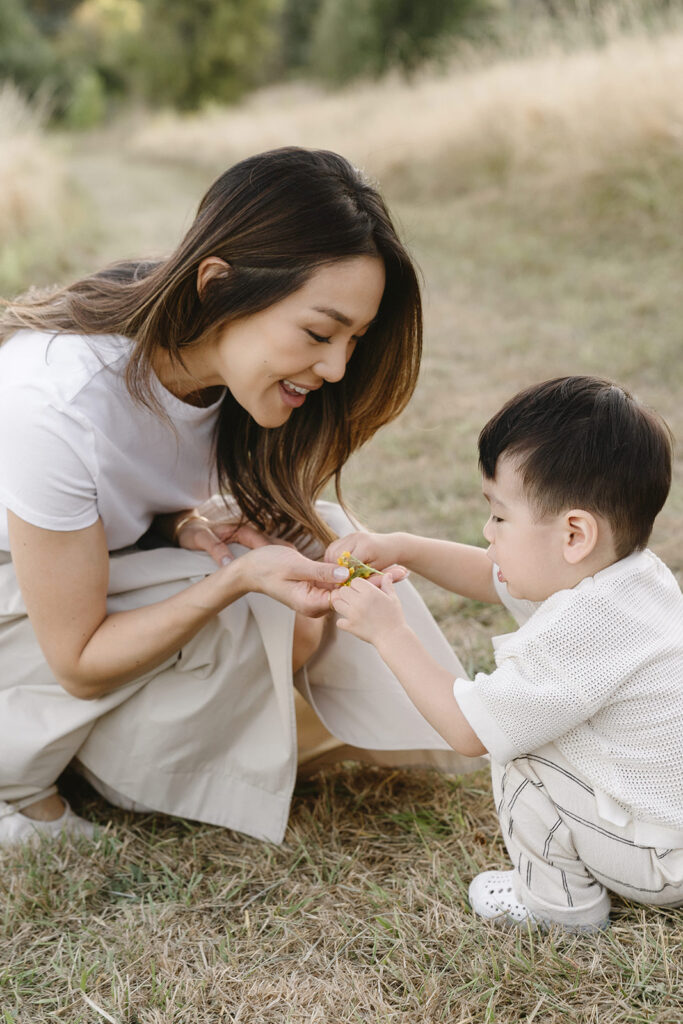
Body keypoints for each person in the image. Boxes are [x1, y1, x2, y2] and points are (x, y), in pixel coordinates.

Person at [0, 146, 485, 847]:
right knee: (242, 584)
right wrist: (230, 580)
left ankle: (441, 718)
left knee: (316, 530)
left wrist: (181, 525)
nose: (336, 367)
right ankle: (20, 772)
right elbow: (77, 661)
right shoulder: (54, 402)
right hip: (24, 608)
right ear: (217, 286)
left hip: (68, 574)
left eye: (354, 339)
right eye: (319, 332)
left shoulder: (211, 373)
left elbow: (129, 480)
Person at [329, 375, 683, 932]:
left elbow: (469, 730)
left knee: (520, 757)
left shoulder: (579, 630)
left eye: (498, 515)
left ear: (573, 535)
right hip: (670, 822)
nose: (487, 532)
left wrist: (388, 633)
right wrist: (404, 548)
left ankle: (559, 907)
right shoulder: (631, 577)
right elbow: (495, 576)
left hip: (661, 858)